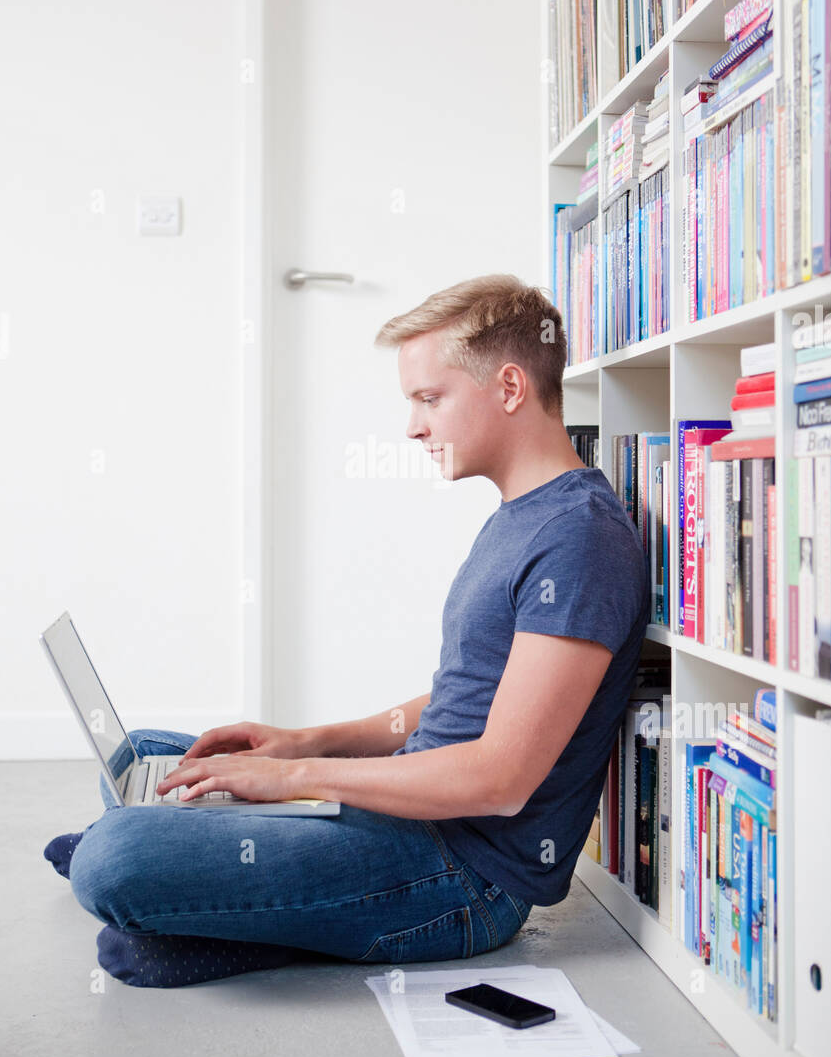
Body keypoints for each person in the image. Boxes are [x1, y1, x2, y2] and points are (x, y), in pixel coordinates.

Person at [47, 274, 650, 987]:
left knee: (114, 860)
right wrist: (308, 741)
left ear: (511, 388)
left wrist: (291, 778)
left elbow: (501, 780)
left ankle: (207, 901)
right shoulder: (522, 516)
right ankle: (210, 889)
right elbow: (477, 698)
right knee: (145, 753)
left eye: (430, 399)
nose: (414, 427)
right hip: (415, 806)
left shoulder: (580, 540)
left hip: (463, 876)